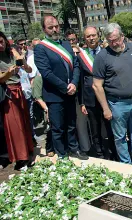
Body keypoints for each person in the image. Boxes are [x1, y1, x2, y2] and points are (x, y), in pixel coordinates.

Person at [92, 23, 132, 168]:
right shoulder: (102, 57)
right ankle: (126, 165)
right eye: (110, 40)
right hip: (117, 104)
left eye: (116, 39)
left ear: (122, 36)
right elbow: (97, 85)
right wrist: (106, 109)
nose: (114, 43)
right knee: (120, 137)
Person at [34, 15, 88, 160]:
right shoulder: (40, 48)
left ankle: (73, 148)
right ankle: (62, 154)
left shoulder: (65, 44)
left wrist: (74, 83)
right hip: (54, 95)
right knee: (57, 127)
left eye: (56, 26)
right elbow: (46, 73)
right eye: (50, 27)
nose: (54, 29)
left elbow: (76, 65)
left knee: (71, 124)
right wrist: (65, 87)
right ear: (44, 29)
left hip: (70, 92)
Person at [78, 26, 116, 160]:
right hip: (90, 98)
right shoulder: (80, 56)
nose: (91, 38)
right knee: (95, 128)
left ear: (98, 36)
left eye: (93, 35)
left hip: (107, 96)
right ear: (84, 38)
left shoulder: (107, 52)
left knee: (110, 127)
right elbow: (80, 80)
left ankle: (113, 152)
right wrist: (82, 102)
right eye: (88, 36)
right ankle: (99, 153)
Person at [0, 31, 34, 170]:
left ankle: (28, 150)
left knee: (25, 122)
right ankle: (21, 157)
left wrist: (23, 61)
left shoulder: (12, 52)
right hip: (8, 92)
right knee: (14, 126)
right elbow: (1, 79)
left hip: (19, 90)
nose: (0, 45)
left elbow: (29, 70)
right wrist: (9, 72)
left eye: (1, 41)